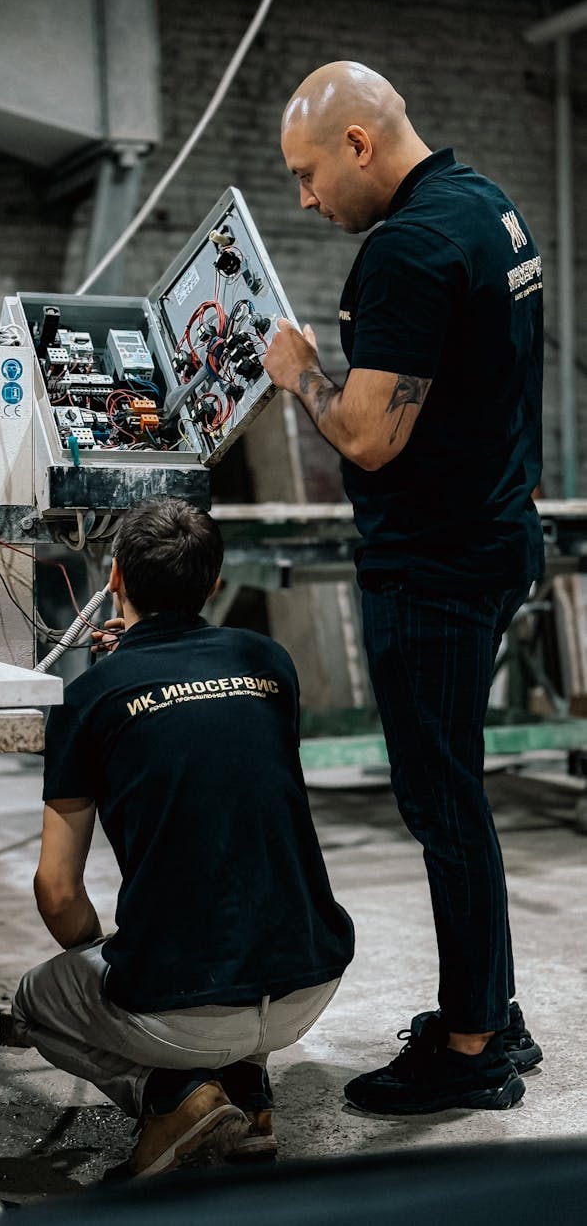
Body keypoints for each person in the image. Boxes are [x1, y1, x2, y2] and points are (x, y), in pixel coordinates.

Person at [263, 61, 544, 1115]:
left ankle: (469, 1047)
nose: (306, 198)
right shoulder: (487, 207)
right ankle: (493, 1009)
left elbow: (371, 437)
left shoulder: (406, 250)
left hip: (433, 564)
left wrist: (296, 373)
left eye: (306, 175)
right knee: (458, 795)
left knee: (441, 803)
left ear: (359, 146)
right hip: (493, 536)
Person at [12, 498, 354, 1176]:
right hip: (309, 982)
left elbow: (56, 890)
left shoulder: (91, 698)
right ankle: (248, 1092)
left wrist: (106, 973)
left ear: (115, 577)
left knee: (35, 1001)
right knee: (238, 886)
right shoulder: (270, 663)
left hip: (182, 1010)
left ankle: (176, 1094)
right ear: (216, 583)